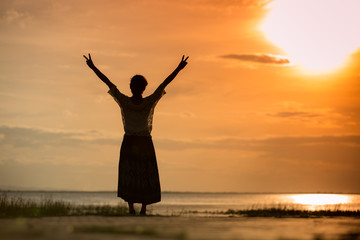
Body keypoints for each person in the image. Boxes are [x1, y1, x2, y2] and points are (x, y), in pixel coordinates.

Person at [83, 54, 189, 215]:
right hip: (144, 142)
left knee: (130, 173)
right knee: (145, 174)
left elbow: (107, 82)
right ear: (144, 88)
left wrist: (92, 67)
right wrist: (179, 68)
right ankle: (143, 209)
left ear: (132, 87)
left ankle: (132, 208)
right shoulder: (148, 102)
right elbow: (164, 83)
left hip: (130, 141)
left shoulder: (125, 101)